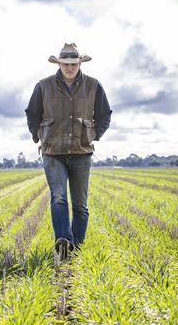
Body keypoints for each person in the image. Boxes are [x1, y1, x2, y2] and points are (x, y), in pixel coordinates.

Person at [25, 43, 112, 260]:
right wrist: (39, 137)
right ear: (59, 63)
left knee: (81, 206)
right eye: (66, 64)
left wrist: (93, 135)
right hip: (53, 153)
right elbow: (32, 113)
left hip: (82, 153)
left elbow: (104, 115)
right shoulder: (43, 86)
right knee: (58, 198)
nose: (70, 68)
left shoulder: (93, 86)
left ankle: (77, 249)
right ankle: (63, 242)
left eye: (73, 64)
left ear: (80, 63)